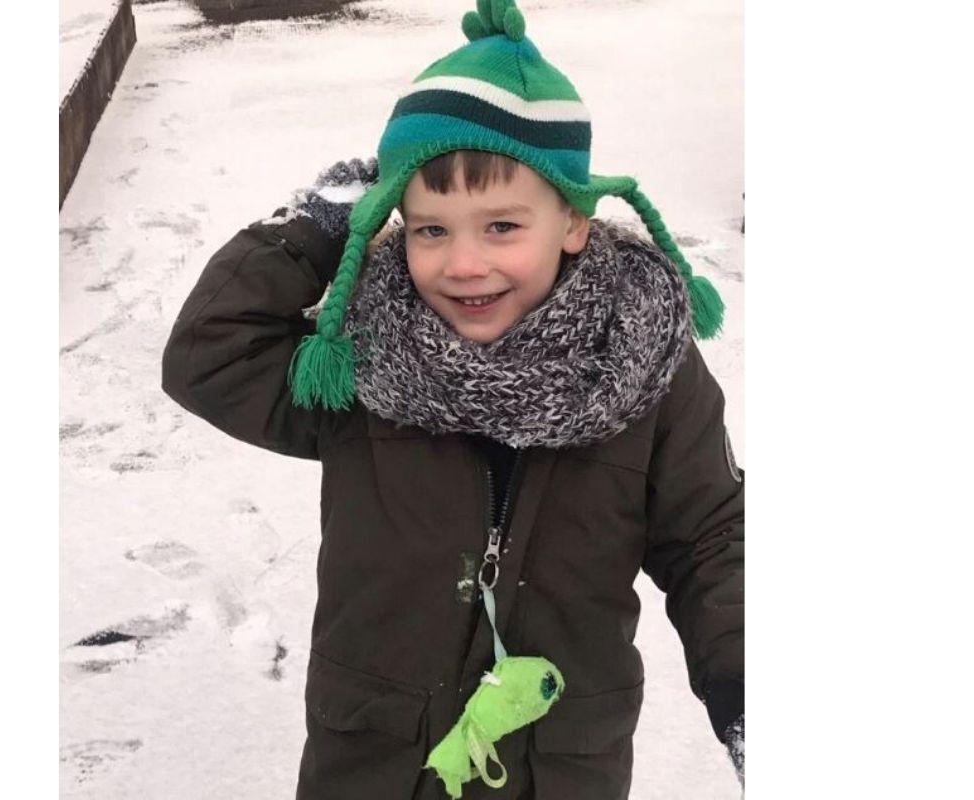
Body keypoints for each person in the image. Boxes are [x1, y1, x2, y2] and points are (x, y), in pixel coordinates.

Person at [161, 1, 743, 797]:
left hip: (552, 772)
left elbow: (715, 541)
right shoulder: (365, 354)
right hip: (375, 764)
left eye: (501, 226)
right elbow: (209, 354)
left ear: (573, 221)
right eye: (431, 230)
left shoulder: (644, 364)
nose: (464, 264)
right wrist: (318, 226)